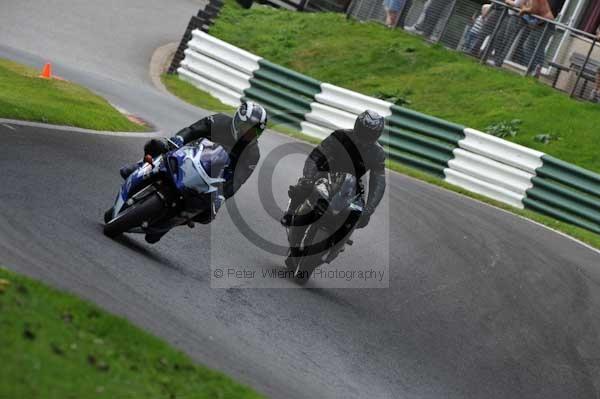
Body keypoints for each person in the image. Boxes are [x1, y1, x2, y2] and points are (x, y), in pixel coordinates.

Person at [115, 101, 267, 243]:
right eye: (247, 129)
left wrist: (221, 195)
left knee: (206, 215)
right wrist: (179, 139)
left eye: (254, 132)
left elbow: (237, 180)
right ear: (238, 121)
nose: (249, 134)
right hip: (188, 157)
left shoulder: (252, 153)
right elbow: (193, 130)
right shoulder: (219, 121)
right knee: (157, 146)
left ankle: (173, 221)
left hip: (211, 181)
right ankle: (139, 166)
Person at [281, 110, 387, 266]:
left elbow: (379, 181)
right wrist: (309, 177)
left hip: (351, 185)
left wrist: (370, 208)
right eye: (364, 132)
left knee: (362, 217)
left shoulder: (378, 153)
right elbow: (316, 155)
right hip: (325, 173)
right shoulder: (340, 136)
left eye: (370, 135)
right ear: (357, 126)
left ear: (377, 135)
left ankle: (340, 240)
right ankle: (292, 213)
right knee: (302, 188)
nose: (365, 138)